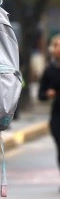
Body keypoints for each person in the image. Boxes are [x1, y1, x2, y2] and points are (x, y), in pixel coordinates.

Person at [38, 34, 60, 182]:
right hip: (57, 115)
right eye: (57, 45)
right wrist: (48, 94)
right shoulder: (49, 70)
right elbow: (41, 94)